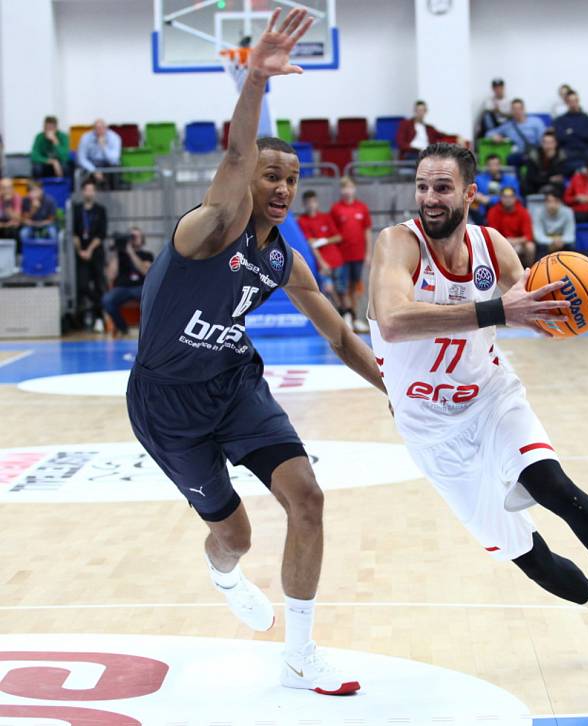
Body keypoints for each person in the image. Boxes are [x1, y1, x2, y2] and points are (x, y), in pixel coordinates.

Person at [368, 142, 588, 675]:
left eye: (442, 187)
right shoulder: (397, 244)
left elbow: (536, 311)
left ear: (469, 192)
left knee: (552, 485)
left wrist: (569, 309)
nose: (429, 198)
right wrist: (497, 309)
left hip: (491, 398)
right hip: (430, 431)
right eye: (422, 186)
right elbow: (393, 320)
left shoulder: (493, 248)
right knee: (530, 558)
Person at [126, 10, 383, 696]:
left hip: (234, 384)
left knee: (308, 497)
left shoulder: (282, 260)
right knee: (234, 535)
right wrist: (256, 81)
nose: (279, 186)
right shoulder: (205, 232)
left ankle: (300, 653)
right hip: (166, 403)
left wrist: (392, 387)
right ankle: (223, 571)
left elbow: (338, 334)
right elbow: (237, 156)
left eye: (290, 179)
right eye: (270, 173)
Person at [330, 176, 372, 332]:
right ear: (341, 190)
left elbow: (367, 231)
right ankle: (346, 316)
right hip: (341, 256)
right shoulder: (336, 209)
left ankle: (353, 317)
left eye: (350, 187)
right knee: (342, 287)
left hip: (358, 255)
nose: (347, 191)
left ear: (354, 189)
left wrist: (368, 253)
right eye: (344, 188)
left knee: (355, 287)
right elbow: (332, 233)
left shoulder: (362, 208)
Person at [297, 189, 347, 309]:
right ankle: (339, 313)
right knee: (328, 290)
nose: (311, 205)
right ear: (304, 204)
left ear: (317, 202)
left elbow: (338, 237)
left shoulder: (325, 217)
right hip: (321, 263)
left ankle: (348, 316)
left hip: (336, 261)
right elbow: (311, 244)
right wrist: (322, 263)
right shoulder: (302, 221)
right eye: (308, 202)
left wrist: (324, 240)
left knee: (342, 290)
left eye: (313, 202)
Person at [102, 227, 153, 335]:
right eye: (131, 236)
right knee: (107, 300)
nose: (133, 239)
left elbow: (146, 272)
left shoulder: (147, 255)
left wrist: (131, 252)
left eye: (136, 236)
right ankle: (123, 328)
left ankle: (147, 329)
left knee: (153, 299)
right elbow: (110, 276)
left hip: (141, 288)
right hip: (122, 288)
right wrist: (116, 251)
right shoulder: (119, 256)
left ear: (142, 239)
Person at [72, 179, 107, 331]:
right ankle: (86, 316)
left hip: (96, 252)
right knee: (83, 286)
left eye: (92, 190)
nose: (89, 192)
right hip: (81, 253)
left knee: (99, 285)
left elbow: (101, 234)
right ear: (82, 192)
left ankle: (99, 317)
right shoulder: (77, 210)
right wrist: (80, 250)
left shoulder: (100, 210)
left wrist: (90, 250)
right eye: (86, 189)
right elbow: (74, 233)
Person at [487, 99, 545, 169]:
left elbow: (543, 139)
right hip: (520, 154)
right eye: (514, 109)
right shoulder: (508, 126)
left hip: (537, 152)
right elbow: (489, 133)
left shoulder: (536, 122)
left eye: (519, 108)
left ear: (524, 109)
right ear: (511, 111)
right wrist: (494, 136)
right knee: (511, 158)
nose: (517, 111)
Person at [486, 186, 534, 266]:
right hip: (500, 243)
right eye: (505, 197)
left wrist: (514, 241)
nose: (508, 199)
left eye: (511, 197)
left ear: (515, 198)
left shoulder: (523, 212)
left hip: (518, 243)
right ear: (500, 198)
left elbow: (528, 236)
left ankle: (529, 269)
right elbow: (491, 234)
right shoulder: (493, 212)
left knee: (530, 247)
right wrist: (505, 241)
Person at [554, 91, 588, 174]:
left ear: (578, 101)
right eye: (570, 101)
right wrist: (580, 133)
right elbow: (560, 137)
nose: (573, 104)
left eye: (575, 101)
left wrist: (571, 132)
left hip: (585, 150)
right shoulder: (560, 120)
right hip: (568, 151)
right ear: (566, 103)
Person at [473, 154, 520, 223]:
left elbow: (517, 197)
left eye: (496, 164)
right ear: (486, 166)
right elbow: (473, 194)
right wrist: (477, 197)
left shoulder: (511, 180)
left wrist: (490, 200)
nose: (493, 167)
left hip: (505, 211)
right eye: (490, 165)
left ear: (500, 165)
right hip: (482, 213)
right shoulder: (479, 179)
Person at [77, 119, 122, 189]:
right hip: (91, 164)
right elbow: (81, 158)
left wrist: (104, 147)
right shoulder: (85, 138)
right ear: (93, 129)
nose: (100, 131)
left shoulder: (114, 137)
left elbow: (114, 160)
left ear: (106, 128)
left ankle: (114, 194)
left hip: (108, 164)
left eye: (102, 128)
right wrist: (93, 170)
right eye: (97, 128)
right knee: (84, 172)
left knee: (115, 170)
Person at [522, 131, 567, 196]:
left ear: (555, 143)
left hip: (552, 185)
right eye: (545, 142)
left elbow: (558, 175)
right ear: (541, 143)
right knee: (525, 184)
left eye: (550, 142)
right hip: (536, 184)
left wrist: (552, 158)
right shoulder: (534, 155)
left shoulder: (561, 156)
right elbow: (531, 176)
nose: (548, 145)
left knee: (559, 185)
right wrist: (548, 179)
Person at [533, 186, 575, 254]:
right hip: (545, 245)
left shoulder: (568, 212)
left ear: (560, 202)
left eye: (555, 201)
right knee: (538, 247)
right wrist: (552, 241)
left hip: (563, 244)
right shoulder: (538, 212)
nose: (552, 205)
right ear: (545, 202)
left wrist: (560, 241)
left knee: (571, 246)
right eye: (549, 201)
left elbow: (570, 236)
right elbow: (538, 236)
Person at [0, 178, 22, 251]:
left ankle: (17, 257)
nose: (7, 190)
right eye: (4, 188)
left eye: (9, 187)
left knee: (13, 231)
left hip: (11, 225)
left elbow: (18, 218)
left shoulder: (16, 197)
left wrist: (7, 204)